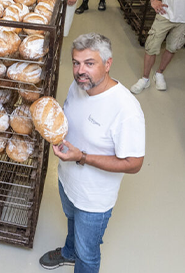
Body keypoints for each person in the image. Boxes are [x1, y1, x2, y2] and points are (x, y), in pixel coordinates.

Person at [40, 33, 146, 273]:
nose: (80, 71)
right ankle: (69, 253)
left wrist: (82, 157)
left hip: (93, 198)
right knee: (71, 221)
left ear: (108, 64)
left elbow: (134, 163)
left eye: (89, 63)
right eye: (76, 63)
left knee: (87, 253)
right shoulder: (79, 86)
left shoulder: (126, 110)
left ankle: (77, 255)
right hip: (67, 180)